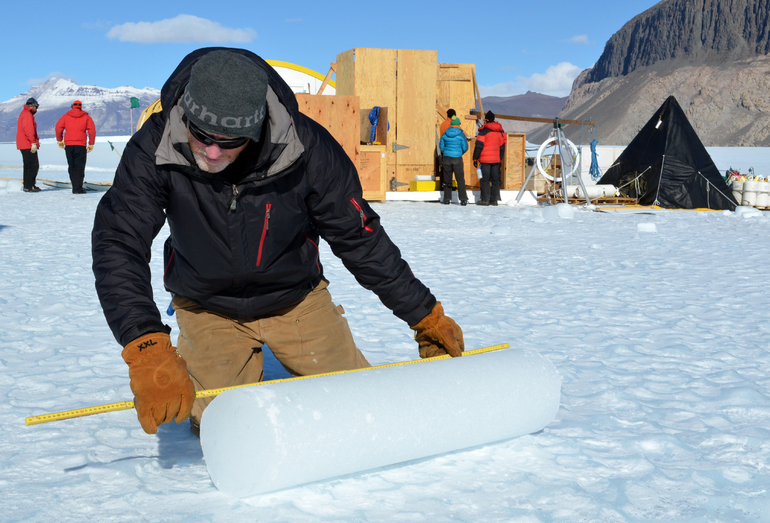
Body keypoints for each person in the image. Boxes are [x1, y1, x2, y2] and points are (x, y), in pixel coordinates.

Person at [92, 48, 465, 436]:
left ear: (256, 129)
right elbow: (119, 241)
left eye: (231, 140)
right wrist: (145, 343)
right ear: (185, 113)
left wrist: (424, 315)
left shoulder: (308, 148)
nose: (213, 151)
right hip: (207, 305)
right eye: (201, 134)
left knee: (358, 404)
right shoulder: (153, 148)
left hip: (295, 299)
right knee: (216, 423)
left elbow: (359, 237)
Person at [56, 100, 96, 194]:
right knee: (79, 167)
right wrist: (91, 143)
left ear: (72, 106)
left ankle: (75, 185)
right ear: (80, 107)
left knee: (72, 166)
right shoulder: (86, 117)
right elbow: (92, 130)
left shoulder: (65, 116)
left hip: (69, 145)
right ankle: (77, 188)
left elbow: (58, 128)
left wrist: (59, 140)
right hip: (81, 145)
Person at [472, 110, 507, 206]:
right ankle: (494, 200)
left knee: (485, 180)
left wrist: (475, 158)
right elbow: (503, 146)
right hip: (496, 160)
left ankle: (485, 199)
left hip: (485, 160)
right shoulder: (500, 132)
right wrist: (499, 158)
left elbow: (479, 146)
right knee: (495, 180)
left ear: (486, 120)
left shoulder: (483, 132)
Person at [438, 116, 469, 205]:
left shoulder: (445, 133)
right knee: (460, 179)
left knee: (447, 179)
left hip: (446, 158)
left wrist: (446, 153)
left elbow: (441, 146)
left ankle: (447, 199)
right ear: (458, 124)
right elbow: (465, 147)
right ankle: (463, 199)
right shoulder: (461, 134)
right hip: (457, 158)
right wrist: (459, 153)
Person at [16, 98, 41, 192]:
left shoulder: (24, 113)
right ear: (33, 106)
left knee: (27, 165)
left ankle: (27, 185)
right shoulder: (27, 114)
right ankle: (30, 185)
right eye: (36, 107)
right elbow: (29, 130)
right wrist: (33, 143)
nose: (36, 110)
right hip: (27, 144)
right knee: (33, 165)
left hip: (23, 143)